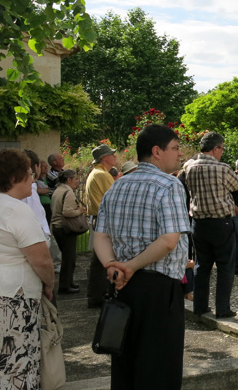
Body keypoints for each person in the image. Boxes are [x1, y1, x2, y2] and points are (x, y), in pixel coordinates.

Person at [94, 124, 191, 390]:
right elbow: (169, 240)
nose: (179, 154)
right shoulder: (169, 185)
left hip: (121, 285)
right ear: (157, 151)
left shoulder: (116, 186)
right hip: (158, 290)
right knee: (159, 368)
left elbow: (100, 236)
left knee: (125, 363)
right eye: (174, 148)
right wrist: (129, 266)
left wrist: (112, 267)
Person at [0, 149, 54, 389]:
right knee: (16, 364)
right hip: (14, 298)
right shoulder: (16, 210)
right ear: (13, 179)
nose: (33, 180)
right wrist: (49, 284)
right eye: (29, 174)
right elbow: (41, 260)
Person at [184, 132, 238, 318]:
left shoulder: (188, 167)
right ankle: (222, 308)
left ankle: (200, 307)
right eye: (222, 149)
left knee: (202, 266)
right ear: (215, 148)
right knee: (225, 266)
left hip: (198, 222)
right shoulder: (222, 168)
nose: (222, 152)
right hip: (220, 221)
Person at [85, 143, 117, 308]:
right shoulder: (102, 175)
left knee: (99, 260)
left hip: (98, 218)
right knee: (101, 260)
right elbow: (115, 198)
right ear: (104, 158)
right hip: (104, 219)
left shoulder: (96, 173)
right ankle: (97, 296)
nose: (115, 156)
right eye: (112, 154)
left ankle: (97, 294)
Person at [51, 169, 86, 294]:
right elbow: (67, 212)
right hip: (65, 228)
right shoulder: (68, 192)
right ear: (69, 180)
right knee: (69, 259)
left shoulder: (58, 190)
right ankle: (65, 286)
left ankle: (68, 283)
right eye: (76, 179)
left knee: (67, 257)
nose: (78, 181)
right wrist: (79, 211)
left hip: (57, 227)